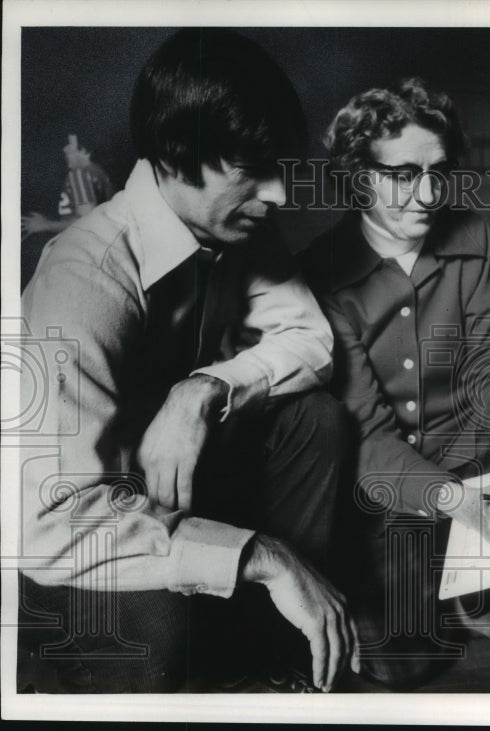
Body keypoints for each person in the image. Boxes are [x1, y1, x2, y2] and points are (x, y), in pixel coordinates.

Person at [17, 28, 357, 694]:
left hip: (167, 492)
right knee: (156, 623)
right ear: (175, 156)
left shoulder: (237, 223)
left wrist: (202, 389)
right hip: (69, 538)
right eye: (252, 169)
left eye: (279, 167)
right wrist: (261, 555)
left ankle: (274, 660)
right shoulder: (83, 274)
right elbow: (49, 528)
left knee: (317, 420)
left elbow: (314, 342)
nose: (280, 195)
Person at [300, 78, 490, 687]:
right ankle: (438, 593)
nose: (427, 195)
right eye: (402, 175)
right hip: (383, 479)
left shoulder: (472, 237)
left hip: (469, 448)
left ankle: (482, 595)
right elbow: (366, 436)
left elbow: (487, 363)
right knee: (409, 666)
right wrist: (460, 505)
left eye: (438, 171)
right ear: (357, 176)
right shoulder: (321, 275)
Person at [21, 134, 117, 286]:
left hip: (79, 251)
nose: (65, 149)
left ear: (85, 151)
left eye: (71, 146)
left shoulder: (79, 174)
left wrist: (45, 224)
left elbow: (86, 222)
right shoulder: (99, 173)